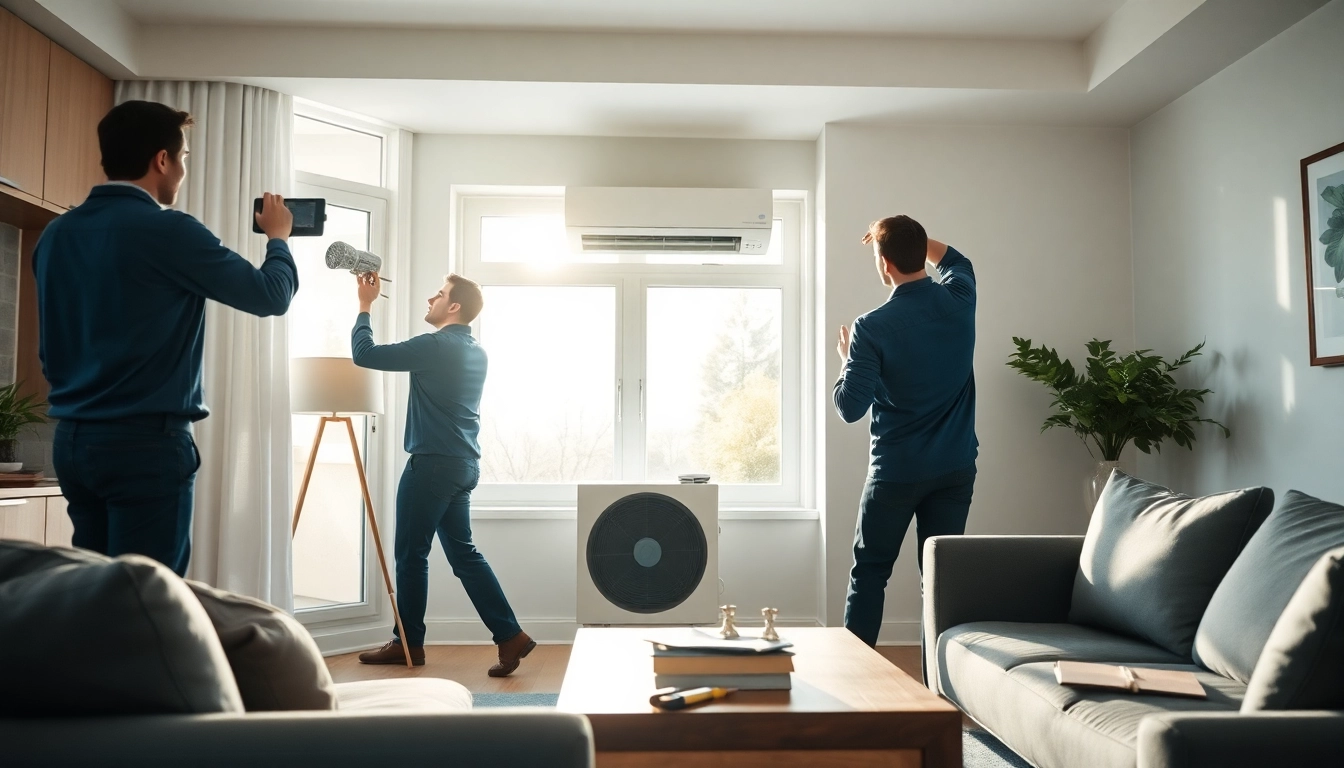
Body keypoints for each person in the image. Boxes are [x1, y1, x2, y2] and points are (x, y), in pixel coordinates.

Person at [33, 100, 298, 577]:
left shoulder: (56, 233)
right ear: (162, 159)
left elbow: (50, 349)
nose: (183, 169)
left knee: (93, 595)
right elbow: (270, 296)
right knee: (150, 601)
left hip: (72, 443)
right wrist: (278, 238)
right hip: (144, 447)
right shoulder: (169, 230)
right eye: (184, 157)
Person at [352, 271, 534, 676]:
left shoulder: (435, 345)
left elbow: (365, 355)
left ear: (454, 306)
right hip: (463, 466)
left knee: (411, 556)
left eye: (439, 294)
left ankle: (408, 645)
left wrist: (365, 304)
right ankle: (511, 636)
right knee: (464, 556)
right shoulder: (476, 351)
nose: (430, 299)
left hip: (432, 466)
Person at [833, 215, 978, 648]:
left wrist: (848, 362)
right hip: (955, 468)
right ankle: (937, 681)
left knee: (869, 574)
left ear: (884, 262)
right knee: (939, 580)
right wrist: (905, 236)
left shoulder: (871, 327)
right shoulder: (961, 296)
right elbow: (955, 260)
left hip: (895, 473)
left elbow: (849, 408)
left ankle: (854, 679)